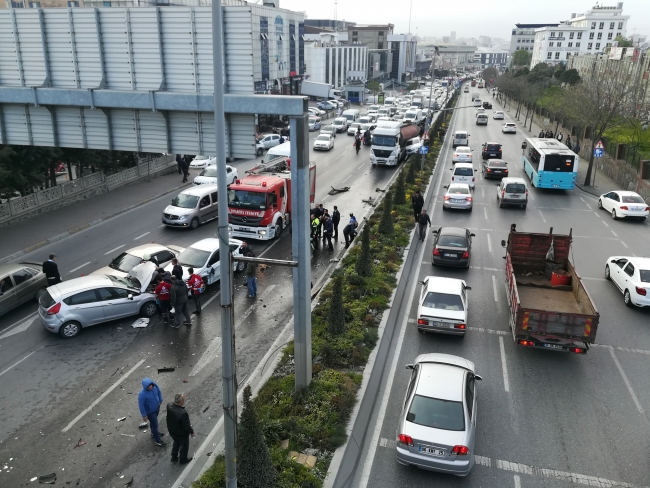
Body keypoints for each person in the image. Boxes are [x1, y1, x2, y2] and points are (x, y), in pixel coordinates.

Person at [166, 393, 195, 464]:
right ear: (181, 401)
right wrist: (192, 432)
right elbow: (186, 425)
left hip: (172, 431)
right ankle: (183, 459)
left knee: (176, 443)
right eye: (183, 399)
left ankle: (174, 456)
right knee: (184, 446)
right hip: (181, 433)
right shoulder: (182, 413)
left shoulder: (169, 406)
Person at [138, 378, 165, 447]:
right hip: (150, 412)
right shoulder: (142, 395)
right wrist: (144, 415)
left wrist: (160, 399)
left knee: (153, 424)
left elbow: (159, 392)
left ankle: (153, 433)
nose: (150, 387)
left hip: (156, 408)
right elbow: (141, 406)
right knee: (155, 425)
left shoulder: (154, 387)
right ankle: (157, 440)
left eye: (151, 385)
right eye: (148, 386)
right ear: (145, 386)